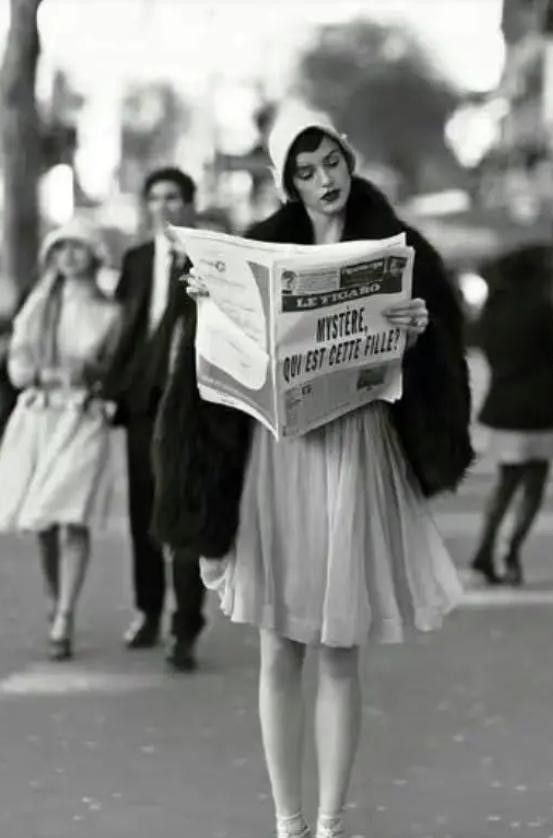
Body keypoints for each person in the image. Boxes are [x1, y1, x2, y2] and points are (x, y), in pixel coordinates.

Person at [151, 103, 473, 838]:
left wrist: (419, 331)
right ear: (286, 182)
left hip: (357, 451)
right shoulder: (259, 249)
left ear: (347, 159)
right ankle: (287, 821)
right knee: (278, 646)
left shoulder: (400, 249)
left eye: (330, 162)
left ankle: (329, 822)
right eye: (305, 170)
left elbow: (434, 364)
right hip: (277, 454)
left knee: (337, 648)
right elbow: (219, 362)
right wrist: (204, 301)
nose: (324, 179)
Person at [0, 218, 122, 660]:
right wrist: (39, 373)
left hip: (84, 417)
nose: (68, 256)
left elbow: (115, 368)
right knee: (45, 521)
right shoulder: (39, 304)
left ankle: (65, 615)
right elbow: (18, 364)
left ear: (93, 255)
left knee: (73, 515)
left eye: (77, 247)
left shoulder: (110, 313)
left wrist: (96, 380)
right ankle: (55, 597)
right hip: (40, 416)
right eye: (60, 248)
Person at [104, 167, 205, 672]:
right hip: (143, 401)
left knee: (182, 511)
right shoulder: (137, 259)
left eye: (174, 197)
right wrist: (111, 390)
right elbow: (125, 328)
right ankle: (147, 611)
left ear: (189, 204)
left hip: (192, 402)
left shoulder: (213, 256)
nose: (164, 206)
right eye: (155, 198)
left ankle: (185, 625)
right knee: (143, 511)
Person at [471, 247, 553, 586]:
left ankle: (485, 547)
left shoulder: (493, 309)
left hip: (504, 407)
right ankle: (511, 552)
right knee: (534, 485)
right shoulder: (540, 309)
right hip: (540, 408)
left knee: (505, 482)